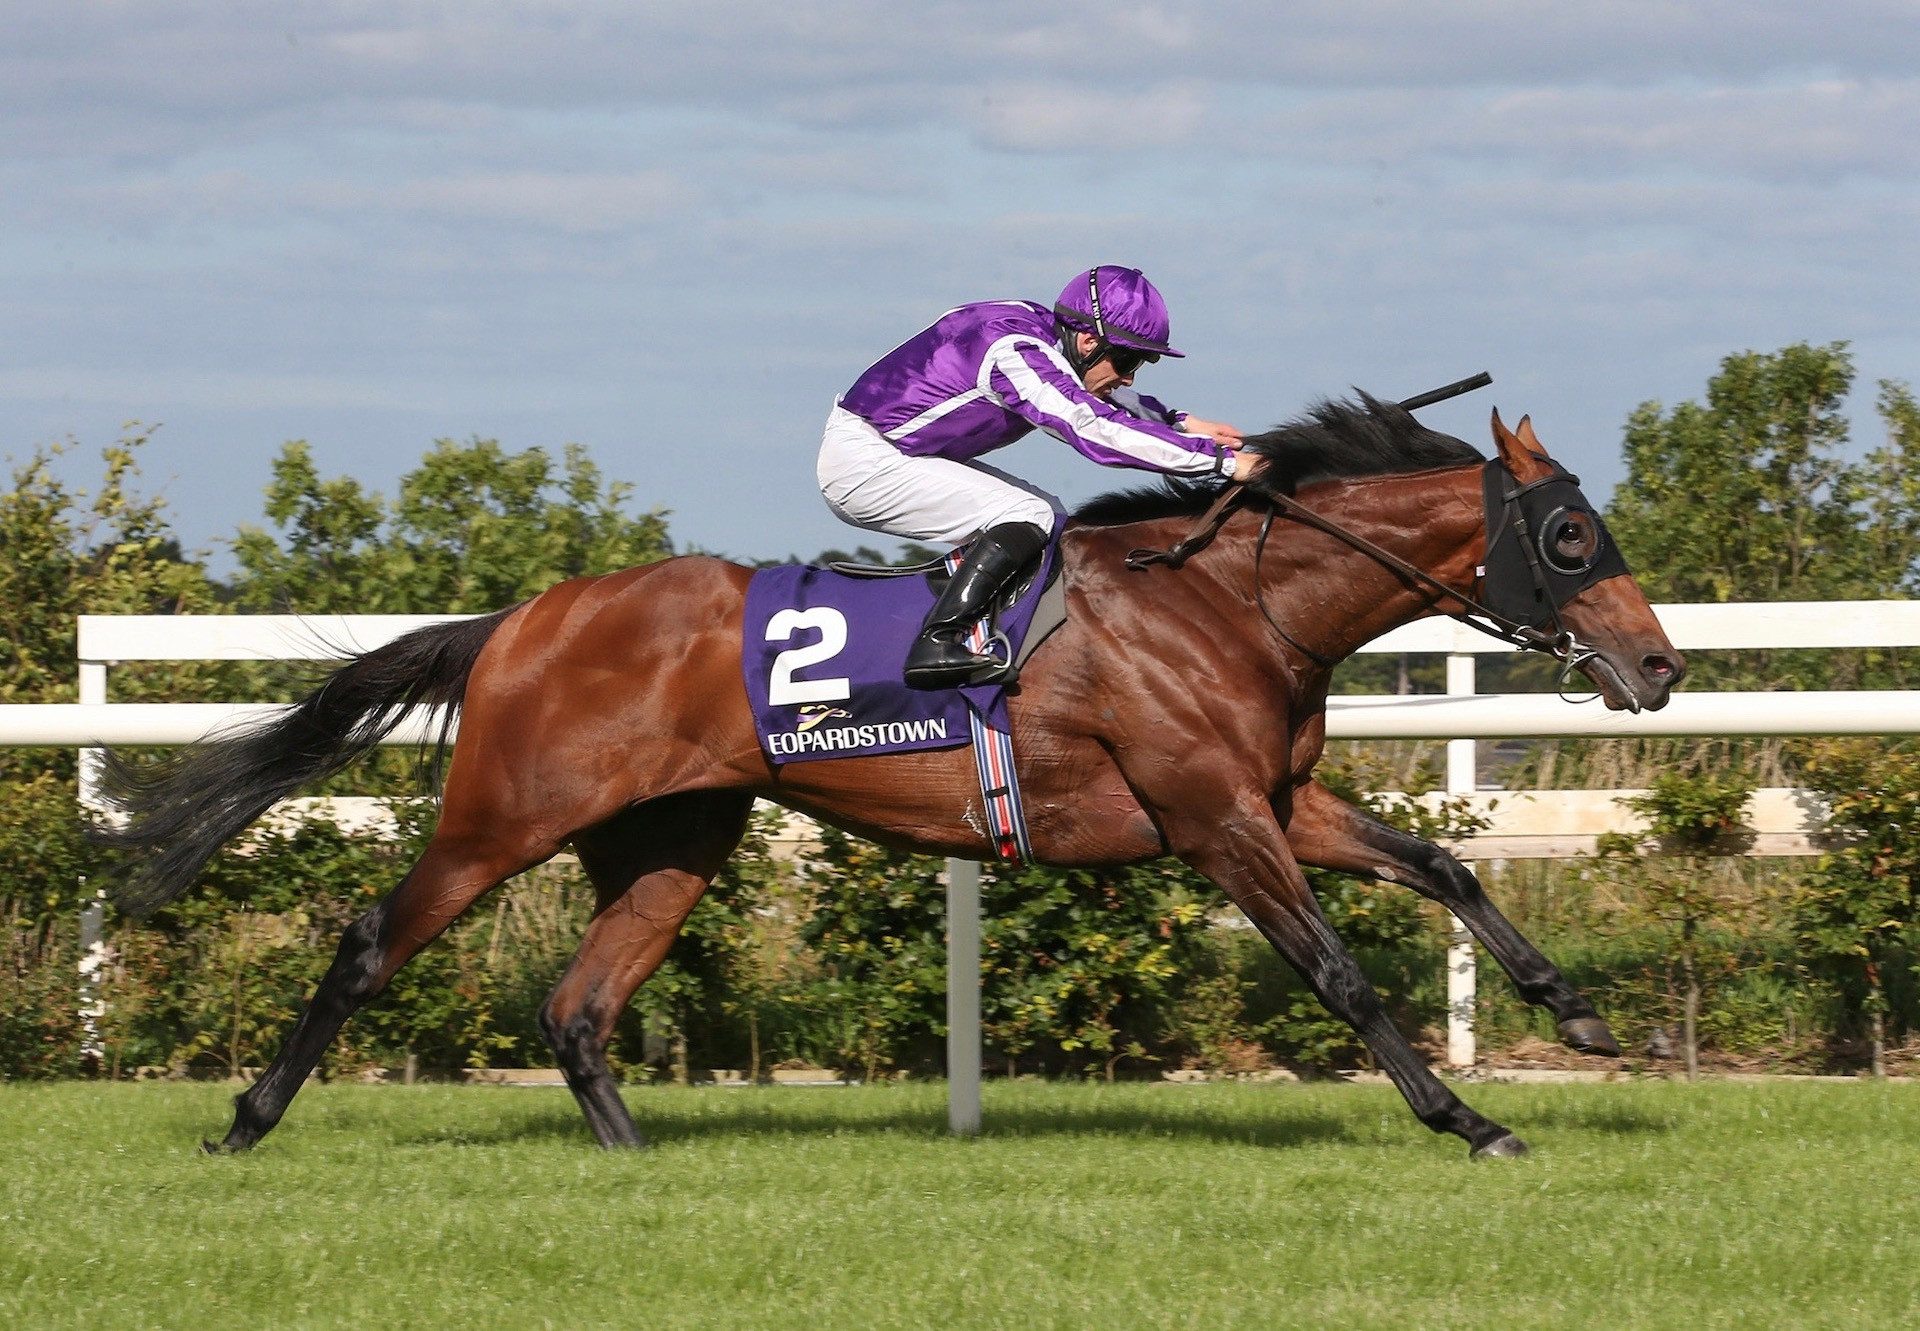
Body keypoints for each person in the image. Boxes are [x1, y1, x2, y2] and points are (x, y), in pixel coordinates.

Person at [819, 264, 1252, 688]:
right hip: (866, 464)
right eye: (1127, 359)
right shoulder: (1013, 352)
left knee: (1052, 516)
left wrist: (1179, 422)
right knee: (1029, 514)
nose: (1129, 376)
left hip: (902, 452)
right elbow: (1090, 427)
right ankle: (938, 642)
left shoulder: (1037, 332)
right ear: (1087, 341)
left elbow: (1085, 395)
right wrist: (1224, 464)